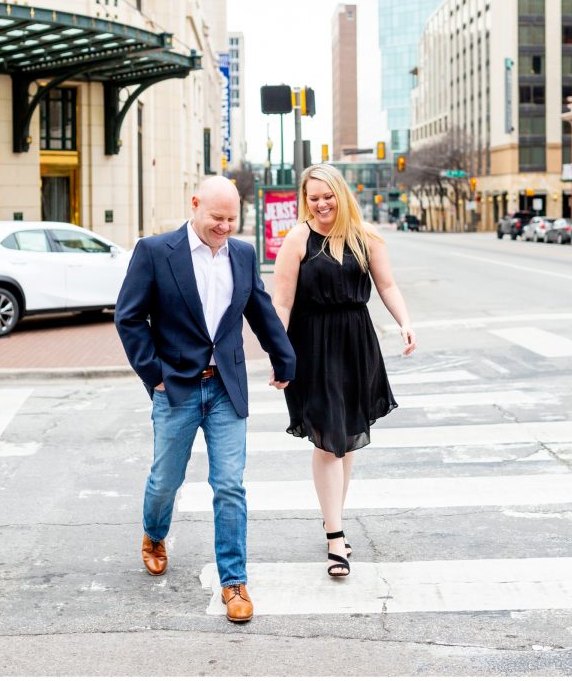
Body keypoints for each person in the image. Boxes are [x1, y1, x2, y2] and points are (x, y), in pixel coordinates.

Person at [115, 176, 295, 622]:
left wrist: (284, 356)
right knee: (165, 481)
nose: (225, 227)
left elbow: (260, 309)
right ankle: (154, 534)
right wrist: (153, 374)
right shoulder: (155, 252)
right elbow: (129, 316)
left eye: (232, 218)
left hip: (225, 388)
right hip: (175, 387)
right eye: (217, 217)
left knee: (229, 485)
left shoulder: (243, 254)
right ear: (195, 205)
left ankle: (233, 582)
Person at [273, 164, 416, 579]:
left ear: (341, 194)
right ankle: (336, 536)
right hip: (312, 345)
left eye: (327, 196)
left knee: (346, 437)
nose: (320, 204)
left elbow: (387, 286)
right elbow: (281, 302)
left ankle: (331, 517)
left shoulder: (366, 237)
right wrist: (278, 352)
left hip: (356, 341)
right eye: (313, 197)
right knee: (328, 442)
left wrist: (405, 322)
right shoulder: (298, 238)